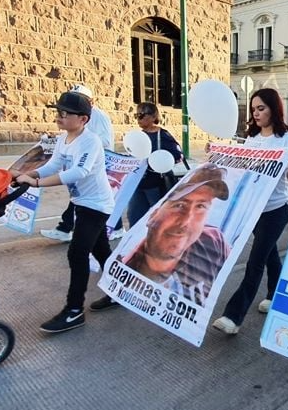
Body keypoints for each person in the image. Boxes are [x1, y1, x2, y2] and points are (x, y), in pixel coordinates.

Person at [15, 91, 116, 333]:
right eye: (57, 112)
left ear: (83, 119)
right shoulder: (64, 139)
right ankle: (118, 291)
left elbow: (78, 173)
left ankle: (74, 311)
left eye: (65, 113)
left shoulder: (91, 142)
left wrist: (37, 184)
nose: (59, 117)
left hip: (97, 205)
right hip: (82, 202)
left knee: (77, 253)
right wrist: (30, 174)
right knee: (101, 250)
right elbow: (53, 165)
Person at [212, 88, 288, 335]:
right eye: (253, 109)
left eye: (261, 108)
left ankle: (233, 316)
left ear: (274, 108)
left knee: (256, 259)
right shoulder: (251, 140)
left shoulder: (287, 140)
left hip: (278, 208)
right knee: (269, 254)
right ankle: (276, 294)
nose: (256, 113)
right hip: (254, 208)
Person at [91, 163, 232, 309]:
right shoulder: (127, 262)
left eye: (201, 206)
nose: (186, 221)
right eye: (180, 205)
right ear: (153, 215)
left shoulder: (214, 240)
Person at [41, 84, 122, 242]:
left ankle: (66, 227)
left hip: (96, 163)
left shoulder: (98, 120)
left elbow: (105, 141)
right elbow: (54, 164)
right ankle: (112, 228)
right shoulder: (67, 134)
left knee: (93, 198)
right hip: (80, 164)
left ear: (90, 102)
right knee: (84, 198)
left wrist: (85, 141)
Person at [127, 102, 184, 225]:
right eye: (136, 115)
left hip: (156, 183)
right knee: (134, 217)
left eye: (141, 115)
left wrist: (158, 159)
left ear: (153, 116)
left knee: (159, 219)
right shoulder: (138, 135)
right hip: (138, 182)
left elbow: (178, 155)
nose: (138, 119)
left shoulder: (162, 135)